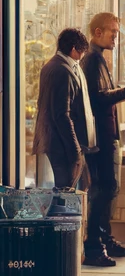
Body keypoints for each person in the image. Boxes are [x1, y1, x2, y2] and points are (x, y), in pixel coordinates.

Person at [80, 13, 125, 267]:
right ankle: (95, 246)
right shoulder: (93, 59)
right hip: (100, 136)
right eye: (113, 33)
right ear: (98, 32)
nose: (116, 38)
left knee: (109, 189)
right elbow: (97, 98)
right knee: (104, 188)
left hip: (106, 133)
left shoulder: (99, 58)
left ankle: (104, 240)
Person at [33, 28, 92, 190]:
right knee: (66, 189)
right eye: (82, 52)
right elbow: (62, 114)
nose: (82, 57)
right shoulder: (62, 71)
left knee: (69, 186)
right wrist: (74, 148)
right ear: (74, 49)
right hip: (61, 142)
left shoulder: (53, 65)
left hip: (56, 140)